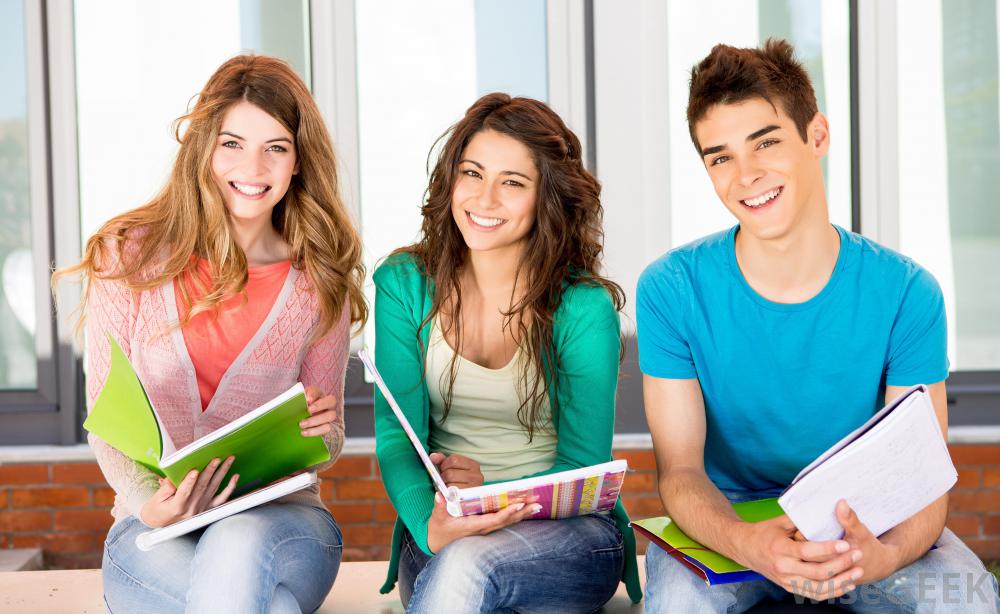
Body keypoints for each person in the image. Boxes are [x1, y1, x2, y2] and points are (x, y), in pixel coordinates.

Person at [637, 39, 1000, 613]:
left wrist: (883, 556)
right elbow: (679, 471)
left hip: (866, 528)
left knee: (970, 601)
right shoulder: (671, 290)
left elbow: (925, 480)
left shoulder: (907, 293)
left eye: (767, 143)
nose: (746, 175)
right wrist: (749, 543)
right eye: (720, 157)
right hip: (731, 524)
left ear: (818, 136)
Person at [54, 54, 367, 613]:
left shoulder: (319, 282)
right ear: (203, 150)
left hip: (282, 524)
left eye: (276, 147)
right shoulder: (126, 256)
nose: (253, 165)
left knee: (238, 538)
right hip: (152, 529)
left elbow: (329, 441)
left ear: (297, 162)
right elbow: (107, 419)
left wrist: (323, 430)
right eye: (232, 143)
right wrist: (152, 505)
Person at [371, 92, 642, 613]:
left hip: (568, 534)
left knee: (472, 566)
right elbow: (395, 437)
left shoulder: (581, 308)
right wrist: (434, 523)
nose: (484, 198)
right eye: (472, 173)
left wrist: (488, 493)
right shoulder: (403, 285)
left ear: (548, 198)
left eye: (512, 183)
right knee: (462, 561)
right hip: (439, 525)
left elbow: (582, 465)